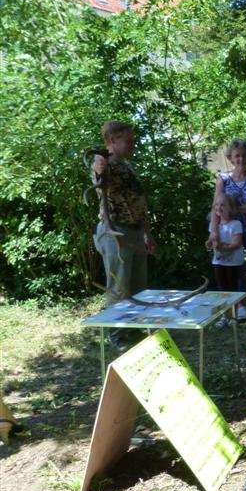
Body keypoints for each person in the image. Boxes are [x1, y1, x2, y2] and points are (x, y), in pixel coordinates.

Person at [91, 121, 158, 349]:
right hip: (115, 234)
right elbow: (99, 179)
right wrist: (99, 165)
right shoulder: (104, 164)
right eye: (128, 141)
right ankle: (118, 335)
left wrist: (147, 234)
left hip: (136, 233)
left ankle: (134, 329)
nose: (133, 144)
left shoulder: (127, 166)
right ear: (112, 140)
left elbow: (139, 203)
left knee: (139, 287)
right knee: (119, 287)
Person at [210, 139, 246, 320]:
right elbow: (216, 205)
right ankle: (239, 305)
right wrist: (214, 230)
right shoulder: (223, 178)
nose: (241, 159)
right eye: (237, 155)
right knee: (232, 268)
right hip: (228, 230)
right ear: (230, 157)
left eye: (245, 155)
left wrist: (236, 209)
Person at [206, 194, 245, 328]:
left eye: (223, 205)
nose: (219, 207)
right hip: (218, 262)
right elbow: (210, 241)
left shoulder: (236, 224)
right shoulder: (213, 225)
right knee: (221, 290)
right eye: (217, 204)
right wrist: (209, 243)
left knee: (233, 289)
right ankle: (223, 316)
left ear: (231, 208)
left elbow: (237, 244)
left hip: (233, 263)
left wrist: (221, 246)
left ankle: (234, 316)